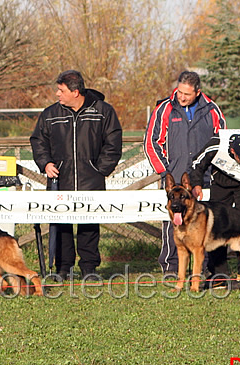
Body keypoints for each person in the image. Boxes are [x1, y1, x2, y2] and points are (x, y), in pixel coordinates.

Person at [30, 69, 123, 278]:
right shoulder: (50, 114)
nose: (57, 94)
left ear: (75, 92)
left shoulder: (103, 111)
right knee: (61, 226)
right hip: (60, 180)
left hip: (91, 179)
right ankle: (64, 268)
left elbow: (113, 142)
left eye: (61, 90)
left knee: (89, 226)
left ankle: (89, 268)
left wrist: (100, 170)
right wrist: (45, 163)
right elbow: (38, 141)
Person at [144, 71, 226, 274]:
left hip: (204, 180)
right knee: (174, 221)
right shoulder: (165, 109)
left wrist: (211, 171)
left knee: (203, 222)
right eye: (179, 92)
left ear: (198, 92)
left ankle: (205, 267)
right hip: (176, 179)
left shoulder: (212, 110)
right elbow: (151, 142)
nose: (181, 97)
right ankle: (171, 266)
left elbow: (221, 143)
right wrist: (166, 171)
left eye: (187, 94)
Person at [189, 132, 240, 289]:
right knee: (216, 229)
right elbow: (197, 164)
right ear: (233, 151)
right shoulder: (216, 144)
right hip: (220, 184)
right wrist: (197, 184)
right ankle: (219, 276)